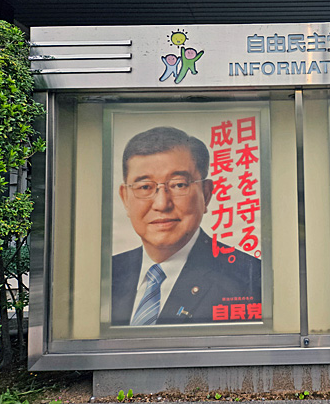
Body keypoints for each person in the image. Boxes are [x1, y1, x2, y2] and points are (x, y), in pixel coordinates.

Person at [111, 126, 261, 326]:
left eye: (178, 185)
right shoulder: (106, 275)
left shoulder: (251, 280)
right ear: (125, 198)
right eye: (145, 187)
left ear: (206, 194)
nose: (162, 204)